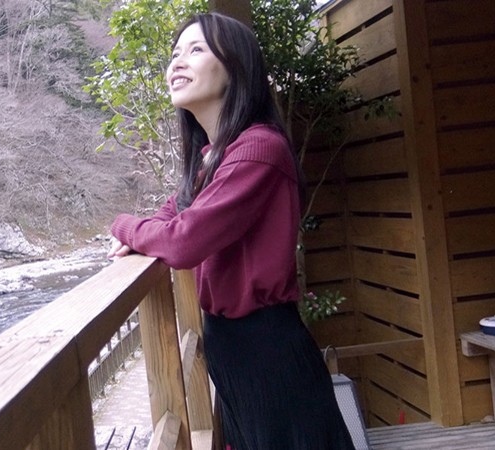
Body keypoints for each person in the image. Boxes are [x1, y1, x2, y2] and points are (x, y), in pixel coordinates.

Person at [107, 12, 355, 450]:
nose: (177, 62)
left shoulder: (258, 149)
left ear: (235, 68)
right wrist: (143, 231)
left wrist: (121, 225)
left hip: (266, 350)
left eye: (196, 49)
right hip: (236, 350)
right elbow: (172, 215)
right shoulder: (214, 157)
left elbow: (182, 241)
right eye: (175, 53)